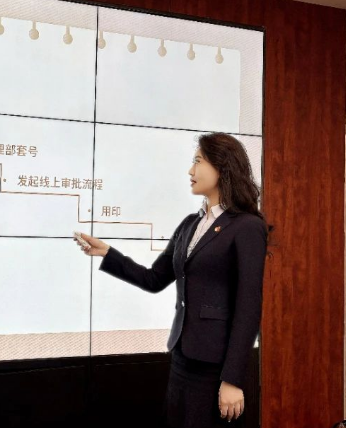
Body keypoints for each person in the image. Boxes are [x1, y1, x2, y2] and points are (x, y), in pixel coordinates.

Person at [74, 133, 271, 428]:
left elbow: (249, 308)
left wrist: (232, 379)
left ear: (222, 167)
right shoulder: (190, 224)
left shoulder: (247, 227)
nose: (191, 171)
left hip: (216, 367)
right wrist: (108, 254)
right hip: (182, 356)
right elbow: (154, 278)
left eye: (198, 161)